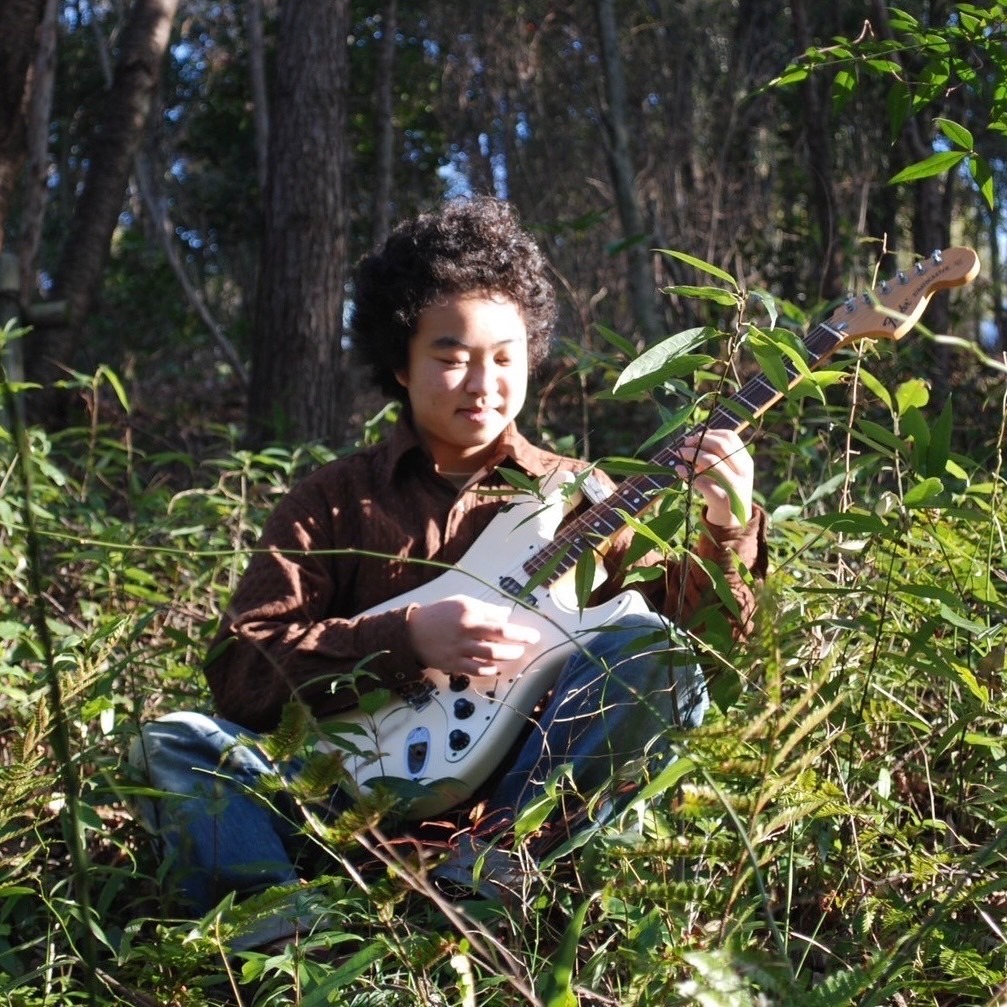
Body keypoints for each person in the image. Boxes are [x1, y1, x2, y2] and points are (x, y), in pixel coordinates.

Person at [132, 196, 767, 947]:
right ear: (399, 363)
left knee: (655, 656)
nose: (482, 383)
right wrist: (404, 638)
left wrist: (727, 525)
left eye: (504, 357)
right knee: (172, 742)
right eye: (451, 356)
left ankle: (487, 879)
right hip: (332, 796)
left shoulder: (582, 496)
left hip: (513, 803)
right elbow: (241, 669)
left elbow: (702, 663)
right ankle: (280, 932)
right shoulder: (332, 501)